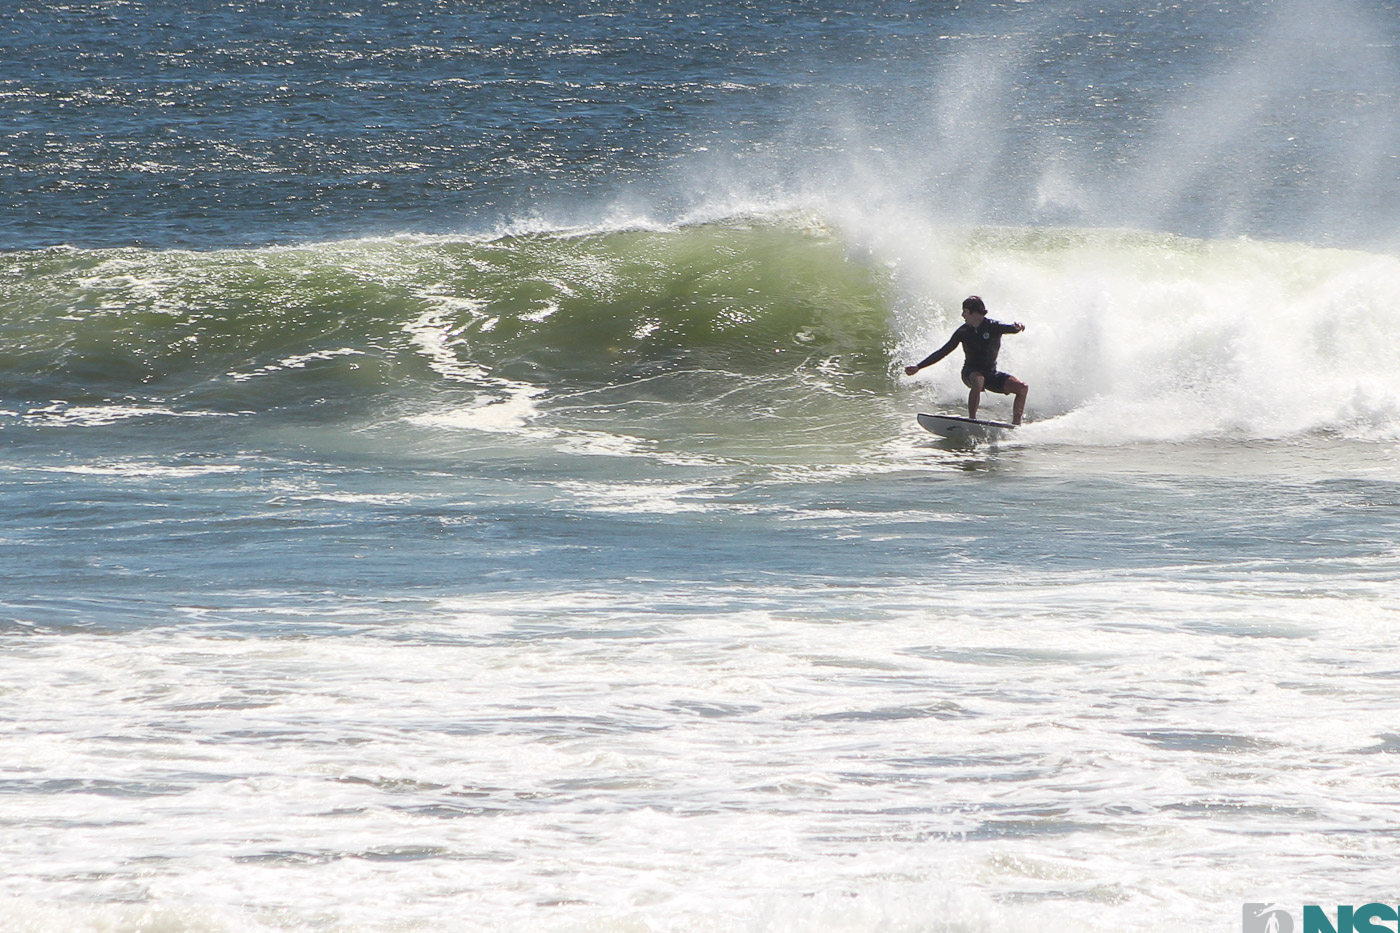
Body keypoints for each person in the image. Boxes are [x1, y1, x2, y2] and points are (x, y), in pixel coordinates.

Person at [904, 295, 1029, 425]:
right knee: (979, 379)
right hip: (970, 373)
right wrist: (919, 366)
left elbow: (1011, 328)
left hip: (991, 374)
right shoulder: (963, 331)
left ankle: (1016, 425)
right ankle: (972, 420)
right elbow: (942, 352)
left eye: (965, 311)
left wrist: (1017, 327)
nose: (962, 315)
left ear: (973, 312)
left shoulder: (993, 326)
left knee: (1022, 387)